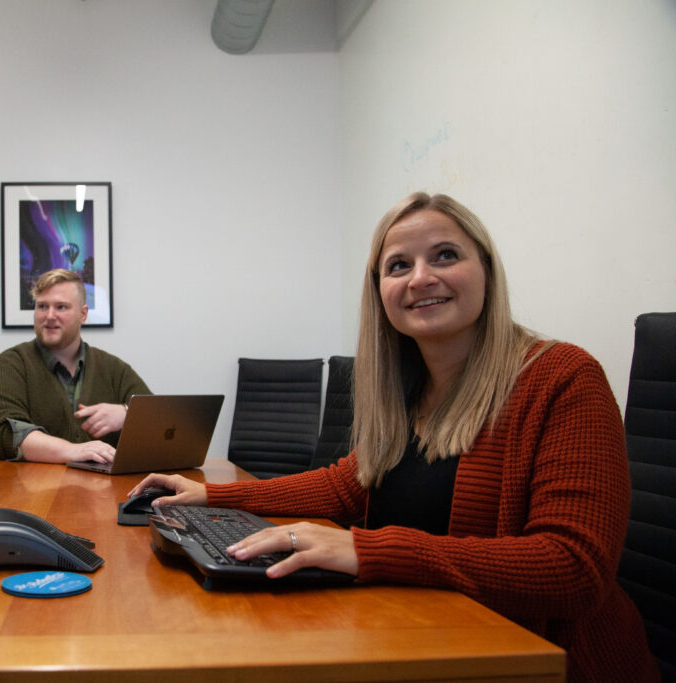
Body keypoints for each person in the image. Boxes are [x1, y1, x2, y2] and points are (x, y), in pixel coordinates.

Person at [130, 193, 658, 681]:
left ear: (488, 273)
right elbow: (347, 488)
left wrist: (367, 550)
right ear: (380, 291)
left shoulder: (561, 376)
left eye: (446, 255)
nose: (420, 278)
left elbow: (574, 567)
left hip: (542, 662)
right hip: (427, 638)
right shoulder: (407, 389)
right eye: (398, 265)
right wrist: (215, 496)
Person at [0, 268, 150, 464]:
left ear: (82, 315)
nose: (49, 315)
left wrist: (127, 414)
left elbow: (163, 424)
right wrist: (71, 451)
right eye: (42, 306)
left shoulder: (114, 369)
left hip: (103, 491)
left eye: (61, 307)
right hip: (32, 491)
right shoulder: (9, 365)